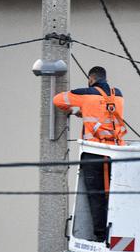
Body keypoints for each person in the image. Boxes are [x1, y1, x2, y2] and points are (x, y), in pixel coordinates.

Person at [53, 66, 126, 242]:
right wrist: (86, 110)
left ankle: (101, 235)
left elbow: (58, 100)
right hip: (116, 152)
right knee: (115, 195)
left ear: (91, 79)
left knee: (96, 196)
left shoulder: (86, 93)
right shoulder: (118, 94)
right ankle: (116, 230)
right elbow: (104, 113)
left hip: (93, 153)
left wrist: (77, 110)